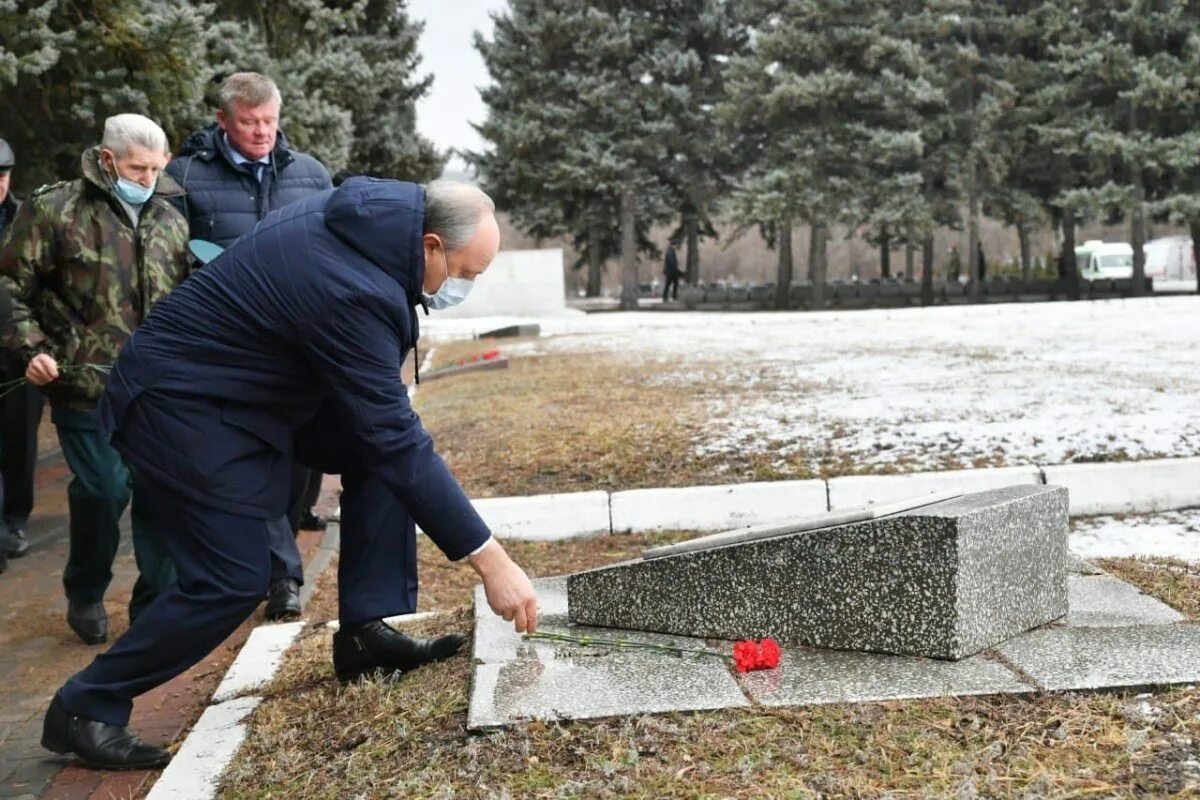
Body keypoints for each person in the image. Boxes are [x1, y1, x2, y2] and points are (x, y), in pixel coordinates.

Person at [41, 177, 539, 770]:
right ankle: (86, 704)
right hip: (179, 405)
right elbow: (393, 433)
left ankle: (365, 633)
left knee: (377, 456)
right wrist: (492, 561)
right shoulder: (353, 287)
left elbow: (382, 433)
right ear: (430, 245)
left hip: (244, 390)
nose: (467, 285)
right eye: (467, 271)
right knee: (234, 577)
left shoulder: (366, 228)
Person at [0, 115, 190, 642]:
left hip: (157, 391)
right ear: (107, 160)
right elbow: (9, 284)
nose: (147, 178)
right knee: (105, 490)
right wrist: (31, 349)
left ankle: (154, 607)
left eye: (155, 168)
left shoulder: (171, 220)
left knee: (159, 495)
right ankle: (85, 590)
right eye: (136, 167)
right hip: (84, 385)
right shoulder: (55, 209)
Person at [165, 72, 334, 621]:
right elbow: (165, 261)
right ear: (222, 121)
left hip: (300, 343)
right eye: (248, 122)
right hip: (231, 346)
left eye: (269, 121)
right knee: (257, 459)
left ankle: (280, 552)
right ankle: (282, 577)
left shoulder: (310, 175)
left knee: (298, 462)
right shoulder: (185, 176)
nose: (261, 132)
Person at [0, 138, 43, 572]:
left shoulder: (27, 216)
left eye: (3, 175)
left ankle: (14, 519)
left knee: (19, 443)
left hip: (19, 351)